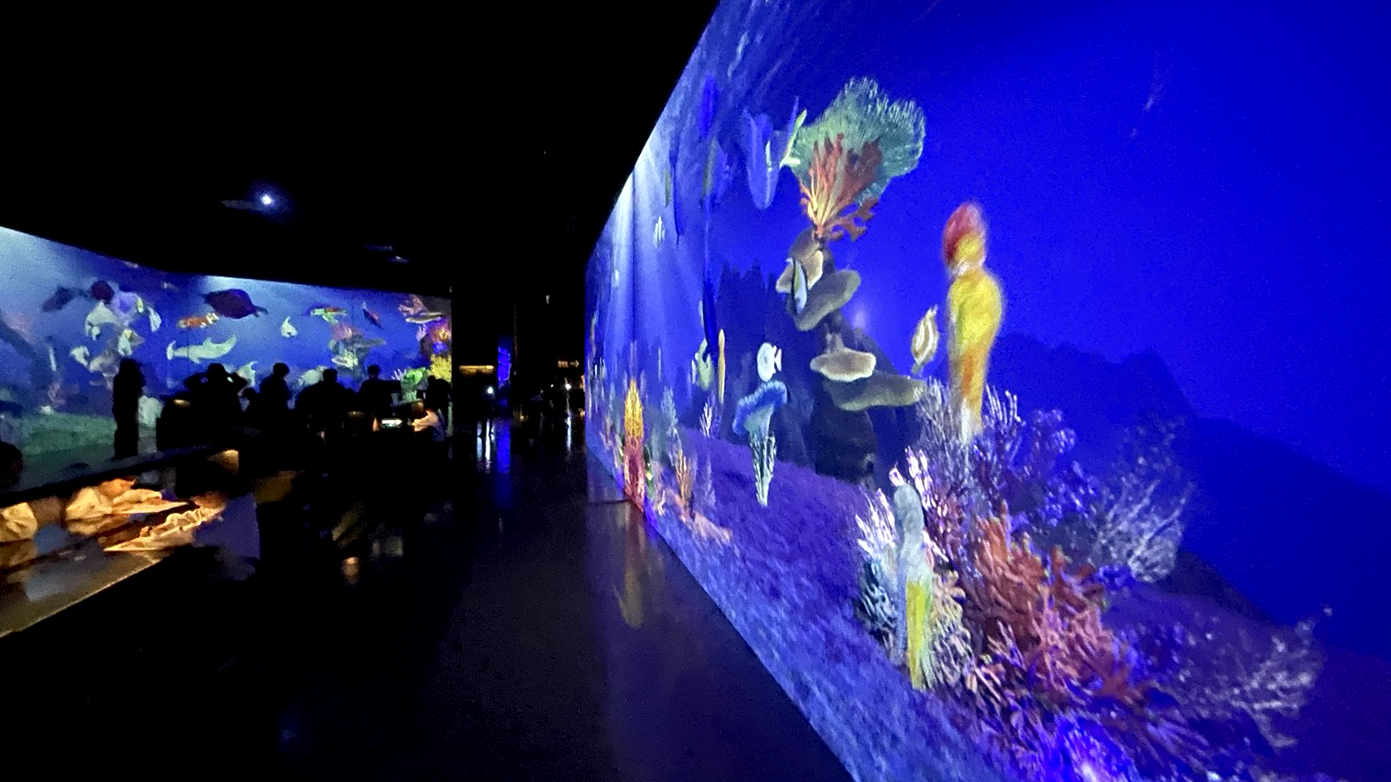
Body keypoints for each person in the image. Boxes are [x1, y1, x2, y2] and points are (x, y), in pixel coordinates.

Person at [185, 363, 246, 438]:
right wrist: (231, 375)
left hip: (208, 414)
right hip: (227, 414)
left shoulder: (205, 384)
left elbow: (189, 382)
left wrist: (201, 375)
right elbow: (242, 382)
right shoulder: (228, 383)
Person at [296, 368, 351, 441]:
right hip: (334, 420)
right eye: (335, 376)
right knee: (335, 440)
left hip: (318, 419)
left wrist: (307, 416)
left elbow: (300, 399)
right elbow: (345, 404)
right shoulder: (339, 388)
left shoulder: (314, 388)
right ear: (335, 377)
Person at [112, 359, 144, 458]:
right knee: (130, 429)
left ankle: (120, 453)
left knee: (122, 429)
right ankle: (131, 452)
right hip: (128, 407)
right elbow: (139, 388)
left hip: (120, 407)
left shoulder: (118, 378)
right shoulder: (133, 378)